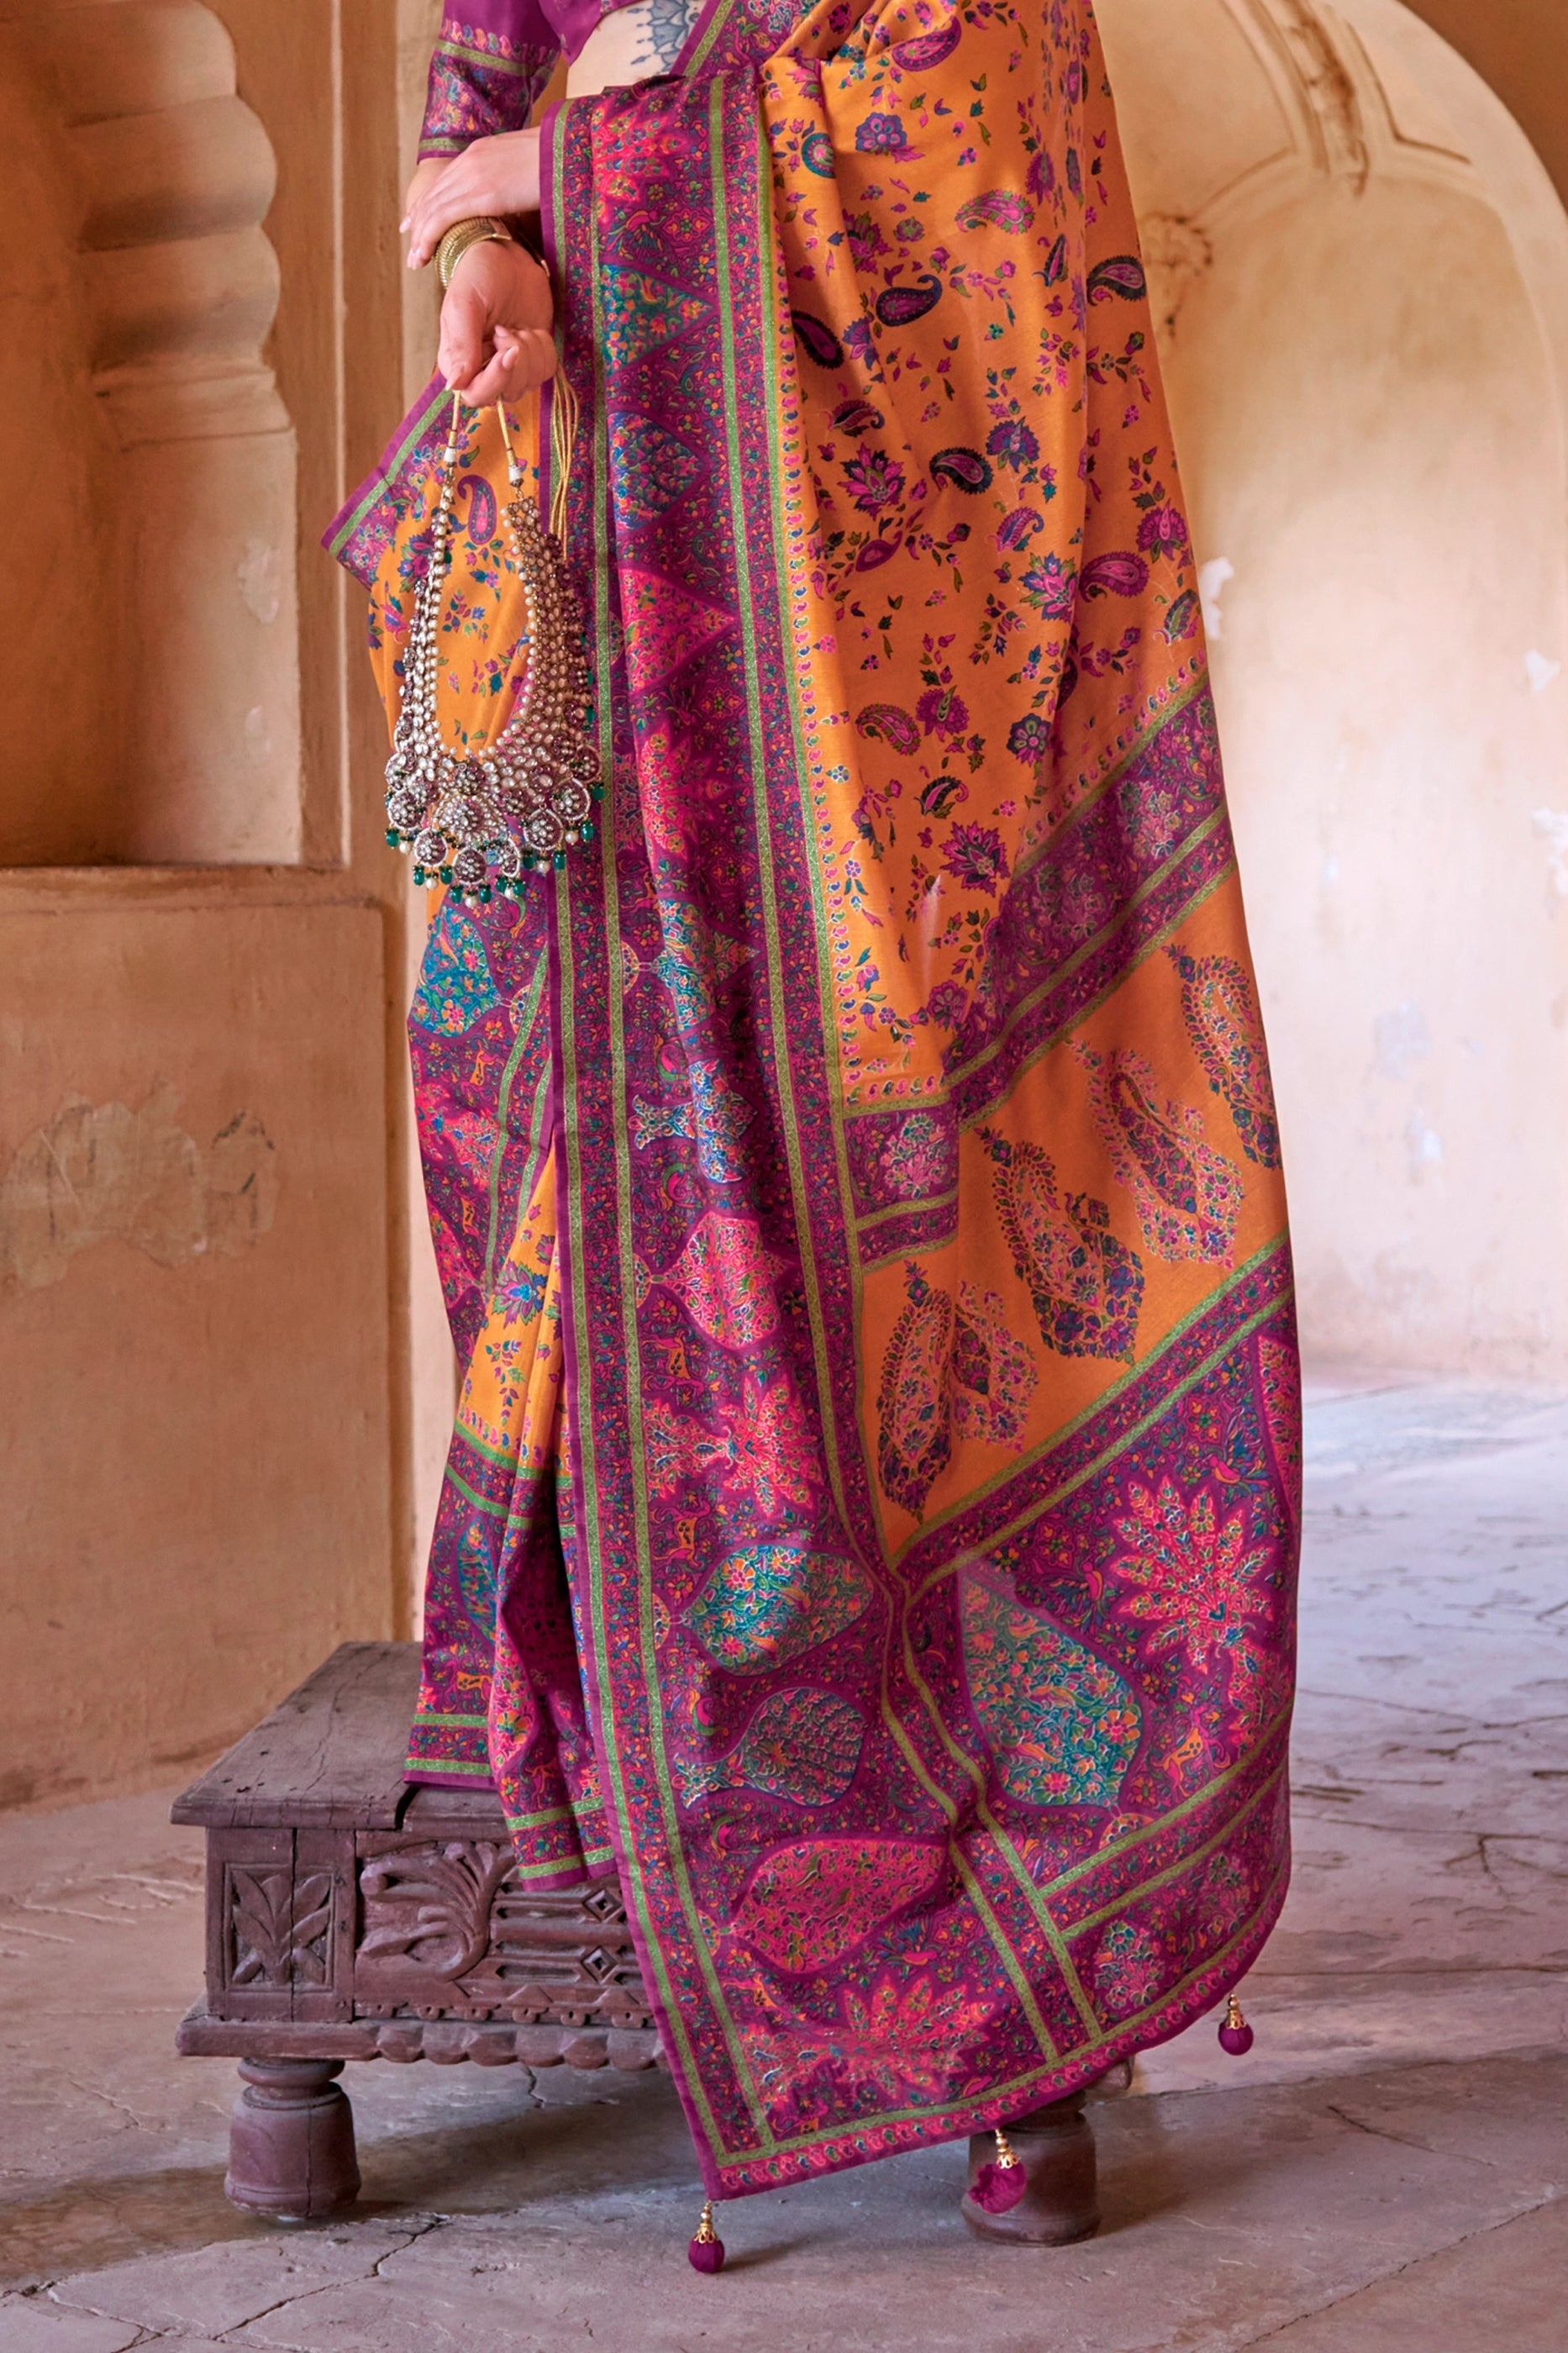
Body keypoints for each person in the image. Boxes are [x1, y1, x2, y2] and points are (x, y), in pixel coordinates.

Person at [329, 0, 1302, 2256]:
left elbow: (974, 139)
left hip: (873, 718)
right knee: (528, 1133)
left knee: (890, 1251)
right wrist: (499, 246)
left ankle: (997, 1989)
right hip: (591, 587)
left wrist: (566, 173)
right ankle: (641, 1826)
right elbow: (486, 87)